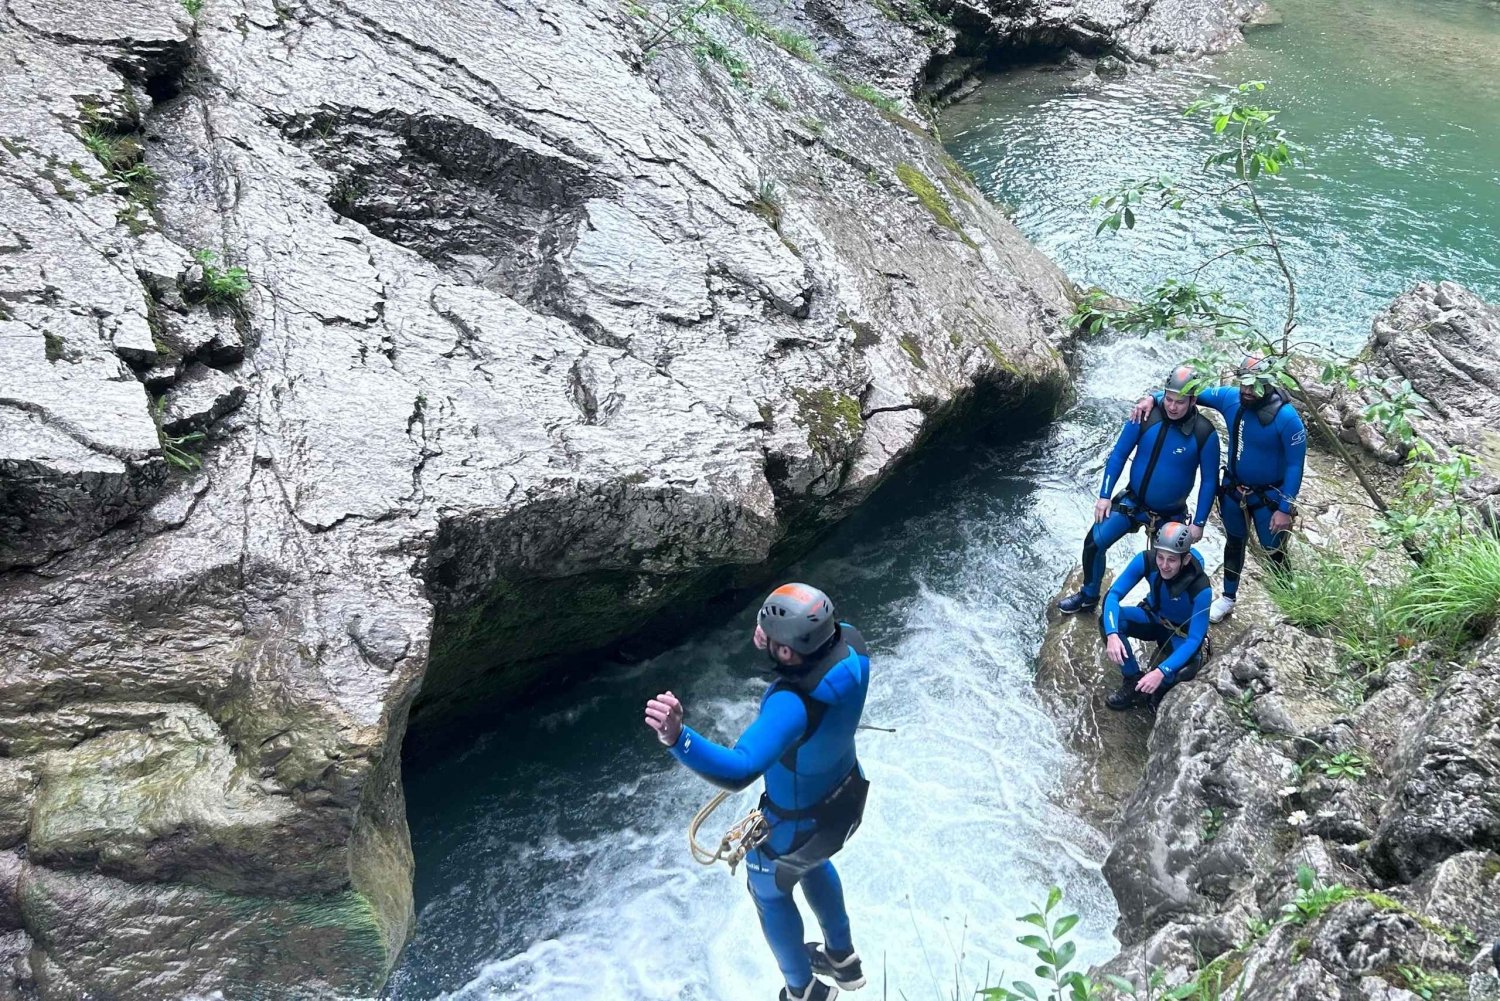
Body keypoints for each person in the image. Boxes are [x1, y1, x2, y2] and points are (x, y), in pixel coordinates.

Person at [644, 583, 872, 1001]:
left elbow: (739, 770)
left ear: (787, 651)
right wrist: (778, 638)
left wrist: (677, 737)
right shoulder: (853, 644)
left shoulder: (793, 705)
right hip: (847, 799)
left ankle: (803, 991)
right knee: (811, 863)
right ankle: (842, 956)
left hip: (797, 826)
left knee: (768, 890)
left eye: (777, 644)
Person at [1131, 355, 1307, 622]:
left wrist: (1284, 509)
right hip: (1235, 489)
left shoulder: (1287, 419)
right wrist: (1152, 398)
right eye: (1244, 384)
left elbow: (1295, 466)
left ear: (1268, 383)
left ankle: (1293, 604)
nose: (1247, 391)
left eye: (1254, 385)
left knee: (1275, 551)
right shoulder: (1230, 398)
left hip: (1270, 496)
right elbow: (1186, 392)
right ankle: (1227, 598)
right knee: (1234, 542)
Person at [1058, 364, 1221, 615]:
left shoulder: (1204, 433)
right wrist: (1104, 495)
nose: (1172, 406)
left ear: (1193, 400)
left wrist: (1199, 522)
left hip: (1170, 513)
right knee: (1094, 543)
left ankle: (1158, 608)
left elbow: (1209, 481)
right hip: (1133, 502)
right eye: (1168, 399)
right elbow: (1118, 455)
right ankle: (1089, 595)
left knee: (1168, 566)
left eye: (1180, 402)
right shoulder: (1144, 416)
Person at [1100, 521, 1213, 710]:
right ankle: (1132, 679)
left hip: (1180, 634)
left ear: (1185, 560)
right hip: (1152, 618)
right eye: (1161, 557)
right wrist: (1112, 633)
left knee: (1186, 669)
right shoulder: (1146, 560)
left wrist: (1161, 671)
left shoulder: (1200, 588)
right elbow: (1113, 595)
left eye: (1172, 560)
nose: (1164, 565)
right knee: (1108, 621)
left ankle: (1159, 691)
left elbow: (1195, 639)